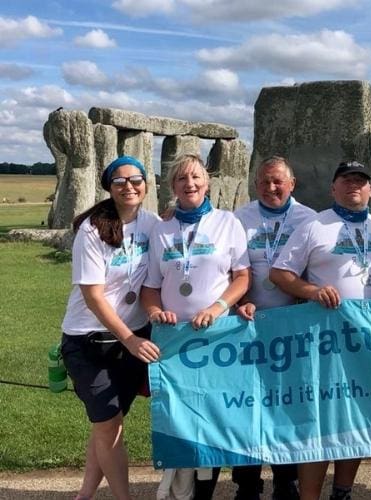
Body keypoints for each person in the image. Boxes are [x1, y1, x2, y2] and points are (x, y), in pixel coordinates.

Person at [270, 161, 371, 500]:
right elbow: (280, 273)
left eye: (361, 181)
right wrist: (312, 291)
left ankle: (342, 490)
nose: (354, 185)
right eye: (346, 180)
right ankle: (309, 494)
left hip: (370, 340)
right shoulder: (314, 225)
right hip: (325, 339)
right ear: (333, 188)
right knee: (321, 419)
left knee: (358, 417)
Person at [141, 153, 250, 500]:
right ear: (172, 186)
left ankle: (205, 489)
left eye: (196, 178)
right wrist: (156, 311)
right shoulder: (162, 229)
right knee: (182, 415)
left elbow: (242, 276)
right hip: (175, 340)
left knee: (214, 413)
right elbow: (150, 287)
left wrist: (218, 307)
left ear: (207, 183)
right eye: (182, 179)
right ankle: (181, 489)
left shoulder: (227, 222)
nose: (190, 184)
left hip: (216, 334)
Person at [60, 155, 161, 500]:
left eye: (136, 179)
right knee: (109, 425)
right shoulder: (92, 229)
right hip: (89, 339)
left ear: (146, 184)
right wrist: (131, 339)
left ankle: (84, 495)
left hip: (133, 339)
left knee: (108, 425)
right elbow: (93, 296)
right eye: (120, 181)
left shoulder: (153, 223)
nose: (129, 186)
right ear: (109, 187)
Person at [233, 155, 317, 499]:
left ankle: (287, 481)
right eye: (265, 182)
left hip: (292, 327)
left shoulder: (309, 218)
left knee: (288, 405)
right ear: (256, 185)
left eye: (278, 181)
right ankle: (247, 484)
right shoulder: (240, 218)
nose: (271, 188)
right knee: (246, 407)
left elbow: (316, 268)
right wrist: (238, 304)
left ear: (292, 184)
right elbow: (230, 270)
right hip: (248, 326)